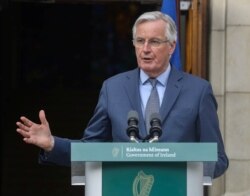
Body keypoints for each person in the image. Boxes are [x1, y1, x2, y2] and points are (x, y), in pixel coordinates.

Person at [16, 11, 228, 178]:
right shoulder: (113, 88)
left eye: (154, 41)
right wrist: (52, 143)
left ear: (171, 46)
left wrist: (180, 171)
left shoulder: (198, 91)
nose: (145, 49)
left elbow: (218, 160)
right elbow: (91, 149)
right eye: (139, 41)